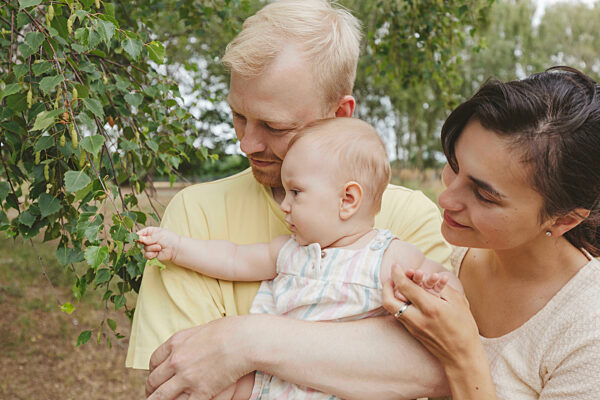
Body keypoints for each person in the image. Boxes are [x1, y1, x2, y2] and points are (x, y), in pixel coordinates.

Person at [127, 1, 453, 398]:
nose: (246, 143)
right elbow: (180, 385)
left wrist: (246, 341)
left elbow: (445, 366)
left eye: (274, 125)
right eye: (238, 116)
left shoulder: (411, 218)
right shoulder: (195, 215)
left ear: (340, 115)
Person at [136, 118, 460, 400]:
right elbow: (233, 258)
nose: (284, 205)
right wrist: (177, 248)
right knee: (208, 388)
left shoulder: (389, 255)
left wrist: (432, 285)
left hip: (353, 386)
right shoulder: (289, 252)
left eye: (296, 193)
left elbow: (451, 298)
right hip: (274, 381)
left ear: (348, 200)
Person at [383, 66, 600, 399]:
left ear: (563, 220)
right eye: (453, 166)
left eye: (483, 195)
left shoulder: (586, 331)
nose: (445, 199)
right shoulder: (432, 250)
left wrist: (462, 356)